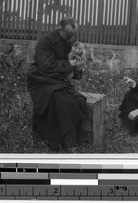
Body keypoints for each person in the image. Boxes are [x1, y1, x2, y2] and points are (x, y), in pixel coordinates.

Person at [27, 16, 91, 151]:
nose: (71, 39)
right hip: (41, 80)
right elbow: (46, 66)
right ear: (59, 29)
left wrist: (78, 67)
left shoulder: (70, 42)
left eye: (73, 36)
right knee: (64, 102)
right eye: (68, 35)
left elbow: (72, 72)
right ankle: (58, 142)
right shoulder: (46, 41)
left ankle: (73, 140)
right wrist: (70, 63)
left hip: (58, 81)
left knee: (79, 100)